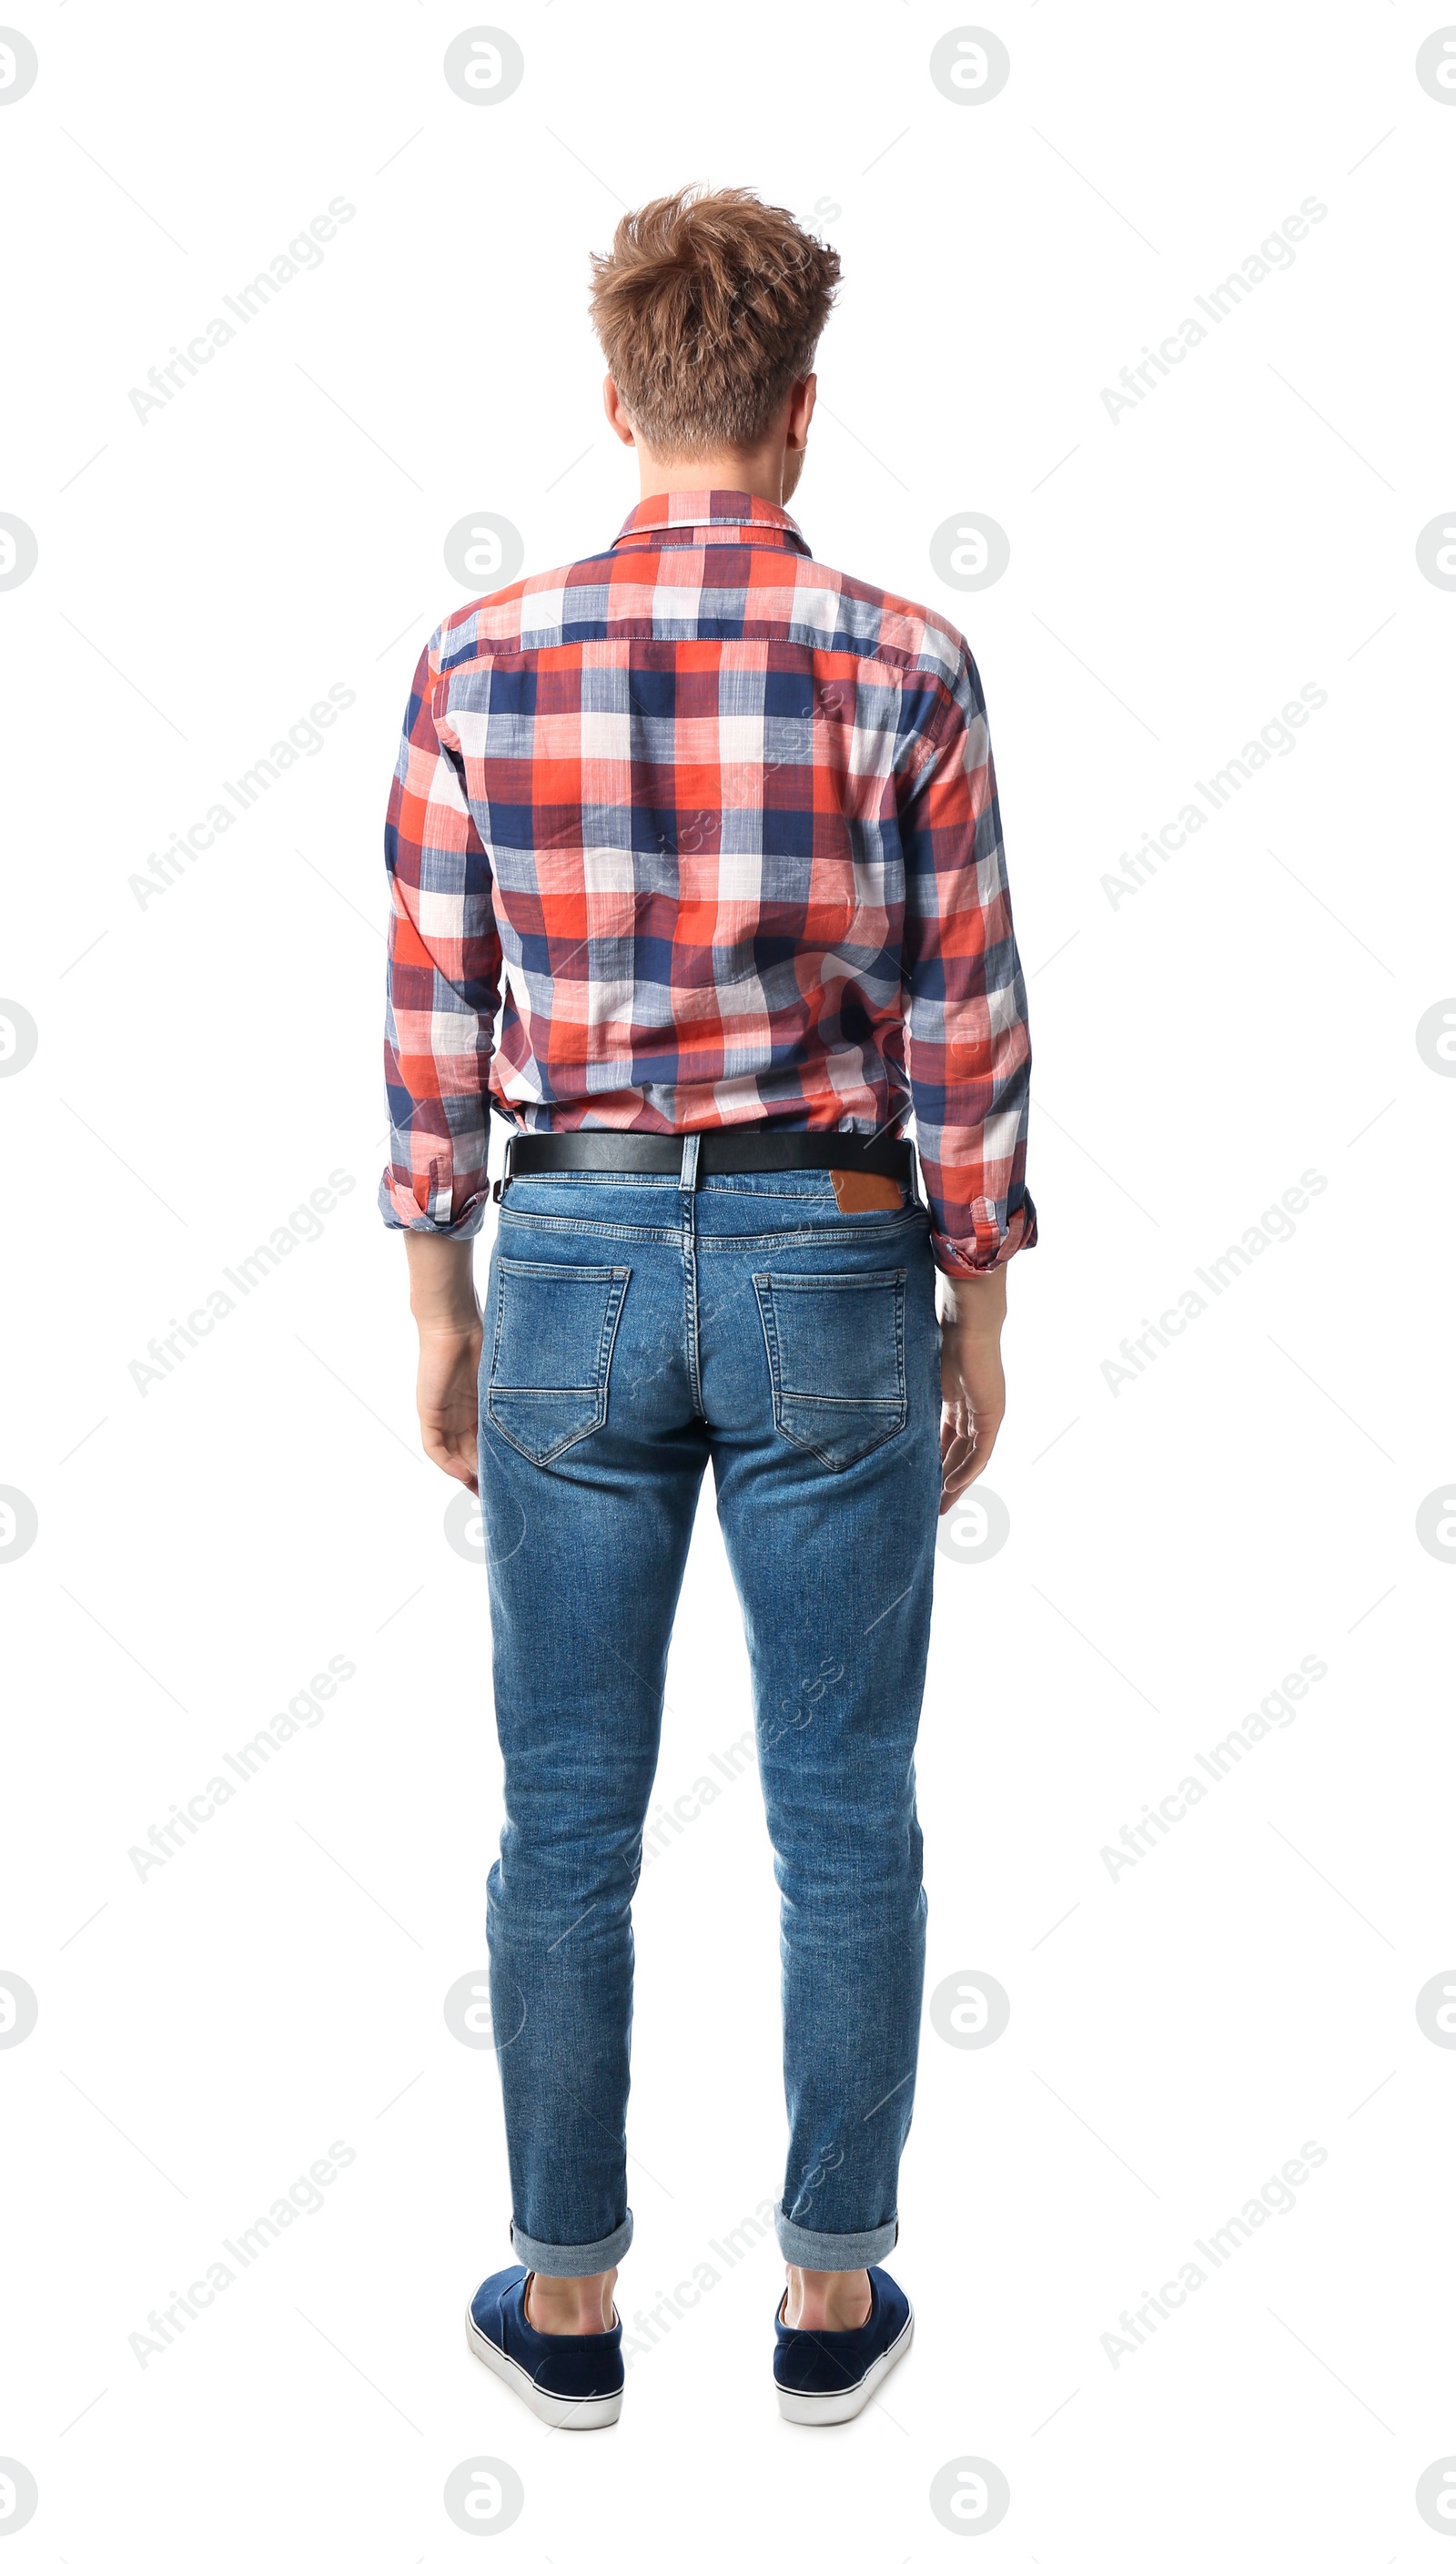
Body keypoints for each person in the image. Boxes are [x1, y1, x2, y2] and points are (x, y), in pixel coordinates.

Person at [380, 185, 1035, 2428]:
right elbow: (966, 1020)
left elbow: (429, 1014)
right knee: (842, 1806)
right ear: (800, 408)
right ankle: (828, 2303)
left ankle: (565, 2312)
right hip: (826, 1257)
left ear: (615, 401)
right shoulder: (905, 662)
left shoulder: (479, 661)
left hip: (559, 1252)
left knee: (562, 1805)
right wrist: (978, 1303)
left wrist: (437, 1294)